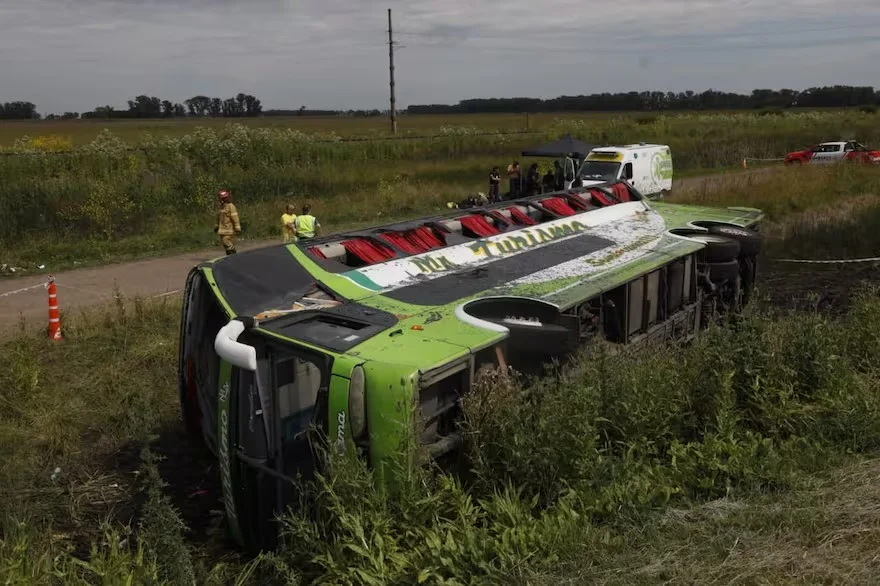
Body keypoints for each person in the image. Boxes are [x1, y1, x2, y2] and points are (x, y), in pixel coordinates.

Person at [213, 189, 241, 255]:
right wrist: (216, 226)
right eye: (221, 198)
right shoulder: (222, 206)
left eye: (224, 198)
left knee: (226, 241)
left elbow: (235, 217)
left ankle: (234, 253)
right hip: (222, 229)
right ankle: (229, 256)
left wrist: (237, 228)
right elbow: (218, 218)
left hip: (229, 229)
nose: (222, 199)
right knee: (225, 244)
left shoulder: (231, 206)